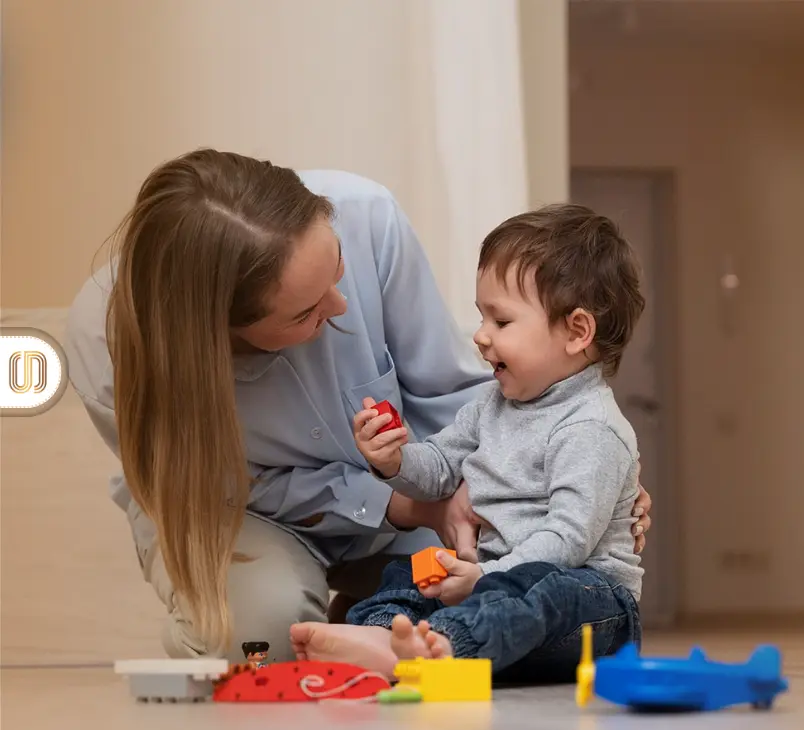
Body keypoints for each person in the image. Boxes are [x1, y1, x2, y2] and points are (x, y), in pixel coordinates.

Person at [64, 148, 653, 663]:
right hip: (239, 508)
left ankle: (376, 628)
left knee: (476, 591)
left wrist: (559, 484)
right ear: (223, 331)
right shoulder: (106, 349)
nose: (342, 306)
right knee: (262, 639)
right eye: (305, 313)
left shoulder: (365, 215)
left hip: (461, 530)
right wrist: (400, 499)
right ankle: (365, 629)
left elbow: (457, 400)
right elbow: (217, 486)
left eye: (338, 270)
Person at [289, 204, 645, 684]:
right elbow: (438, 468)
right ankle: (383, 635)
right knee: (406, 575)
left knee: (544, 595)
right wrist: (394, 460)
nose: (480, 336)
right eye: (482, 318)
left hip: (592, 603)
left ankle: (443, 647)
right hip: (494, 580)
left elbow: (568, 540)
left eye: (501, 322)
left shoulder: (592, 427)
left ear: (577, 332)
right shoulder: (491, 404)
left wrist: (487, 579)